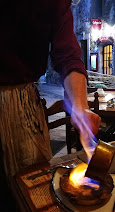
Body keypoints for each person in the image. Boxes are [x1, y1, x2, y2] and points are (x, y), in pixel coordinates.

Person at [0, 0, 101, 178]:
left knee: (34, 184)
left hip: (21, 107)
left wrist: (80, 106)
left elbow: (68, 56)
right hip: (21, 100)